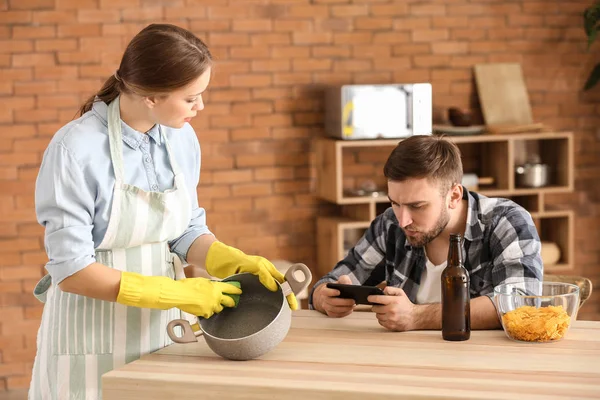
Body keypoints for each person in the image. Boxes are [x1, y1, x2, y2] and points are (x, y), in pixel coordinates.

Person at [29, 23, 296, 400]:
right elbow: (71, 271)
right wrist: (175, 292)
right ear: (151, 96)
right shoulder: (74, 150)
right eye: (191, 98)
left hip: (164, 328)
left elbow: (184, 229)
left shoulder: (180, 136)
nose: (200, 106)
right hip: (90, 336)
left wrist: (231, 260)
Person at [309, 135, 543, 332]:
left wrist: (416, 316)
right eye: (395, 203)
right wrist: (324, 297)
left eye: (417, 206)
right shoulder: (390, 223)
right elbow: (330, 282)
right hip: (404, 365)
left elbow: (521, 305)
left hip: (482, 368)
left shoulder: (506, 221)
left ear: (453, 196)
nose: (403, 220)